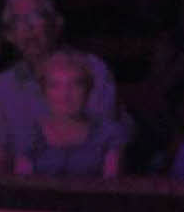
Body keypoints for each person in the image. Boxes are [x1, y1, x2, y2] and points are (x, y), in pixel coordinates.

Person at [0, 0, 122, 173]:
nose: (28, 28)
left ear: (56, 23)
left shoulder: (93, 70)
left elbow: (109, 146)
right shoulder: (3, 87)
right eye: (18, 21)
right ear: (9, 35)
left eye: (36, 17)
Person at [13, 50, 126, 178]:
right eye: (55, 86)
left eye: (75, 85)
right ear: (44, 91)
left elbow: (111, 189)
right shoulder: (29, 135)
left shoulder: (109, 134)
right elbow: (24, 187)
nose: (65, 95)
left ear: (88, 89)